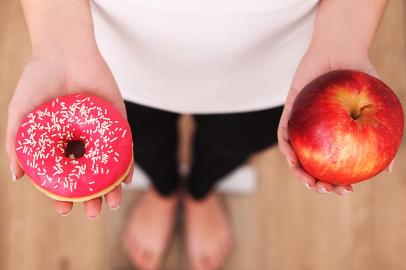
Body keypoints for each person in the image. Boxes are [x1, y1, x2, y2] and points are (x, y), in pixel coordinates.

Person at [5, 0, 392, 269]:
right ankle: (163, 188)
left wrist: (343, 39)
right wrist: (57, 40)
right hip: (103, 58)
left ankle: (201, 191)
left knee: (232, 144)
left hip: (284, 63)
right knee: (143, 141)